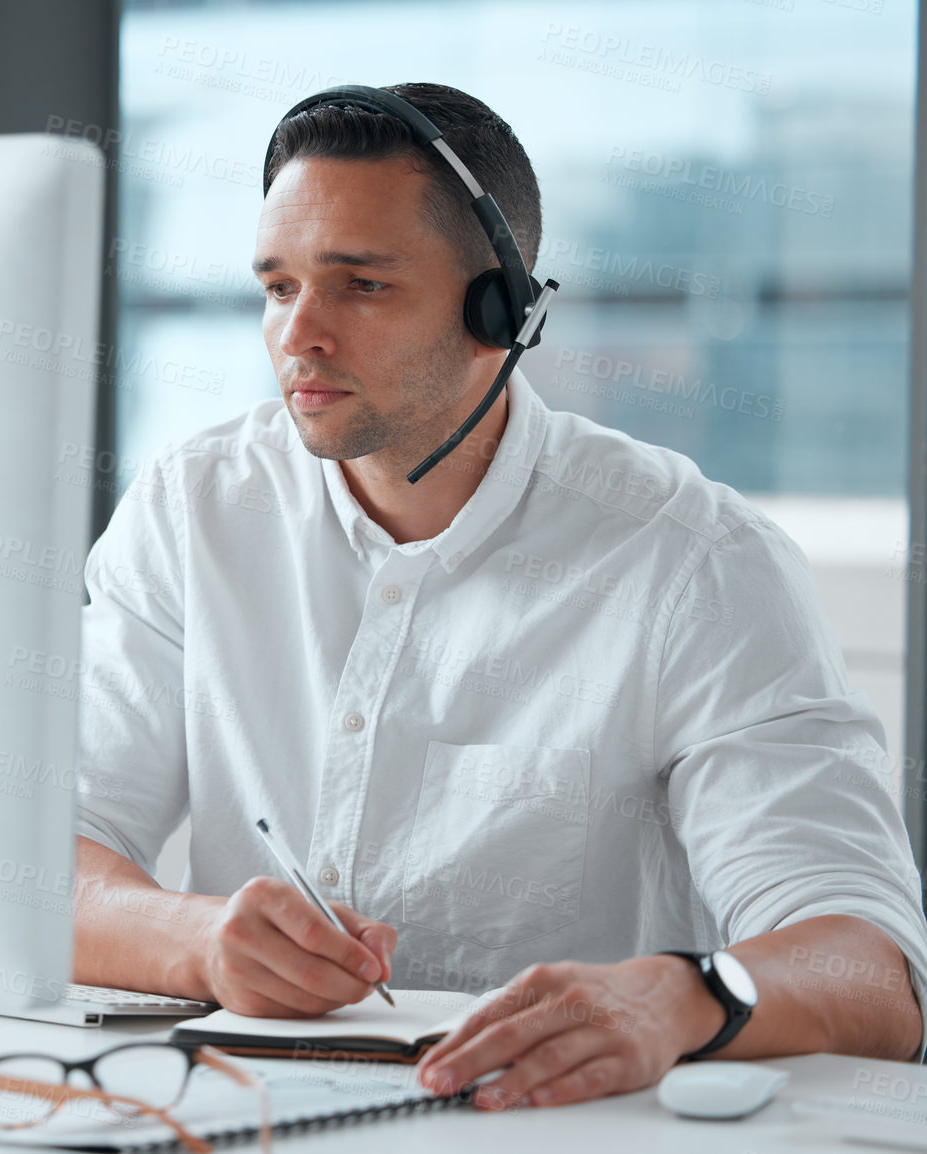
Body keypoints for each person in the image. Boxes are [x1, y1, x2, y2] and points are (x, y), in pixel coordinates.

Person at [71, 81, 927, 1110]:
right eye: (279, 286)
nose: (300, 334)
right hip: (243, 1112)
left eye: (361, 286)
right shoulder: (193, 507)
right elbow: (35, 864)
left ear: (501, 309)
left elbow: (875, 970)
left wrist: (683, 996)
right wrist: (200, 941)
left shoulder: (695, 561)